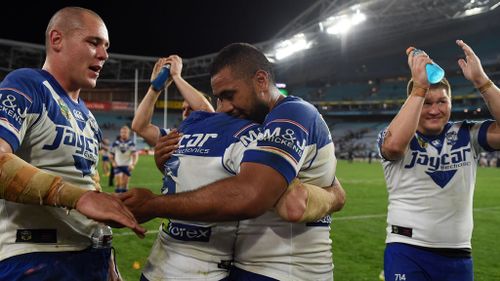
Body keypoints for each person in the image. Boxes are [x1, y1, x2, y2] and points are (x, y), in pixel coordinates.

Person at [121, 42, 345, 280]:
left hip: (284, 270)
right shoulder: (259, 122)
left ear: (260, 80)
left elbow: (254, 194)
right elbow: (210, 118)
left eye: (229, 95)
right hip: (245, 267)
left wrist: (154, 204)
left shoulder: (293, 112)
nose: (225, 108)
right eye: (219, 99)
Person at [0, 7, 145, 280]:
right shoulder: (27, 85)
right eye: (94, 42)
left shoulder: (88, 117)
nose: (104, 55)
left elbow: (92, 185)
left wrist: (108, 257)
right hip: (35, 254)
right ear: (56, 40)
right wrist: (79, 198)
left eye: (106, 47)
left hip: (92, 257)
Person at [378, 40, 500, 281]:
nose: (434, 110)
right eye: (426, 103)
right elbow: (393, 148)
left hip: (458, 253)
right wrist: (419, 88)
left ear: (451, 103)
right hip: (406, 248)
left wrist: (481, 81)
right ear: (415, 100)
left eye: (442, 102)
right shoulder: (395, 134)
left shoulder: (468, 134)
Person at [131, 55, 214, 147]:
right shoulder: (174, 136)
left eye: (191, 108)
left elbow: (205, 110)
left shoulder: (214, 130)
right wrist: (155, 88)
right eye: (183, 109)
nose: (185, 113)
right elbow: (139, 127)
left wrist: (176, 76)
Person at [110, 125, 138, 193]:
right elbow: (111, 155)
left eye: (125, 132)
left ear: (128, 133)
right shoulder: (115, 143)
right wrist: (113, 162)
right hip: (118, 165)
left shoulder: (131, 144)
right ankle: (117, 200)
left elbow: (135, 155)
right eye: (122, 132)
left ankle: (124, 202)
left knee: (125, 185)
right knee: (118, 184)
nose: (123, 134)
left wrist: (133, 164)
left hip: (127, 165)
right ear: (120, 133)